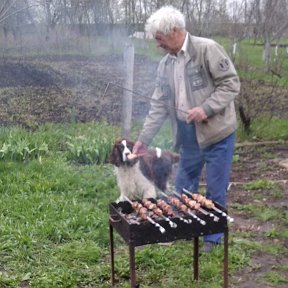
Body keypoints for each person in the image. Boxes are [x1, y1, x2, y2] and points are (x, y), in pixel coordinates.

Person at [132, 5, 240, 253]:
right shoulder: (165, 64)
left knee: (215, 188)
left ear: (174, 31)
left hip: (216, 134)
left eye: (159, 39)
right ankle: (182, 227)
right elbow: (158, 105)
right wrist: (143, 139)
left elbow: (231, 84)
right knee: (182, 187)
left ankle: (212, 239)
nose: (158, 45)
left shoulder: (207, 49)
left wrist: (206, 108)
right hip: (188, 137)